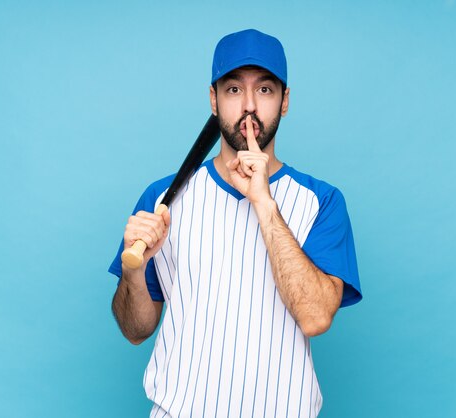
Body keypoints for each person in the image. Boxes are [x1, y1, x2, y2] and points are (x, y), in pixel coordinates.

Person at [109, 28, 362, 418]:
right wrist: (136, 271)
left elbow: (315, 316)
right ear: (213, 99)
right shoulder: (163, 200)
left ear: (285, 101)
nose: (248, 106)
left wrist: (263, 201)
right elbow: (135, 330)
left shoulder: (321, 201)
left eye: (264, 90)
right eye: (232, 90)